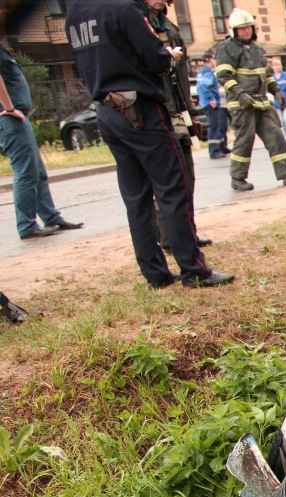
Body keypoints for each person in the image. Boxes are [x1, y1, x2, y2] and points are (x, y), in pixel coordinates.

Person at [66, 0, 232, 288]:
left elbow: (82, 66)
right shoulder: (125, 8)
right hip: (140, 110)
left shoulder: (75, 13)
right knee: (172, 188)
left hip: (106, 110)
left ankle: (154, 273)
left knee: (136, 197)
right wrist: (171, 56)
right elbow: (157, 60)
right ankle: (194, 270)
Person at [144, 0, 212, 252]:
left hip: (179, 111)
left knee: (187, 176)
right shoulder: (138, 24)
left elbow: (180, 76)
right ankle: (170, 238)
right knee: (167, 179)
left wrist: (190, 112)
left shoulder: (169, 27)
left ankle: (187, 233)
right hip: (159, 112)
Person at [215, 9, 286, 191]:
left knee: (276, 136)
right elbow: (224, 76)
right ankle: (237, 178)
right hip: (242, 104)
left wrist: (276, 91)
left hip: (261, 102)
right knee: (244, 140)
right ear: (234, 30)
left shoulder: (256, 48)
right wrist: (240, 94)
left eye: (249, 27)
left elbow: (266, 73)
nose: (246, 31)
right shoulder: (225, 48)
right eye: (242, 28)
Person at [0, 42, 84, 240]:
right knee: (26, 172)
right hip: (10, 118)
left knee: (37, 171)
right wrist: (10, 108)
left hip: (17, 116)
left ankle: (52, 218)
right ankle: (27, 226)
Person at [197, 51, 231, 158]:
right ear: (211, 60)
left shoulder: (201, 71)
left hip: (206, 102)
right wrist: (211, 99)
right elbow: (203, 86)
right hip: (211, 103)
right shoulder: (208, 71)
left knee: (217, 125)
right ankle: (214, 151)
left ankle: (221, 148)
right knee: (214, 126)